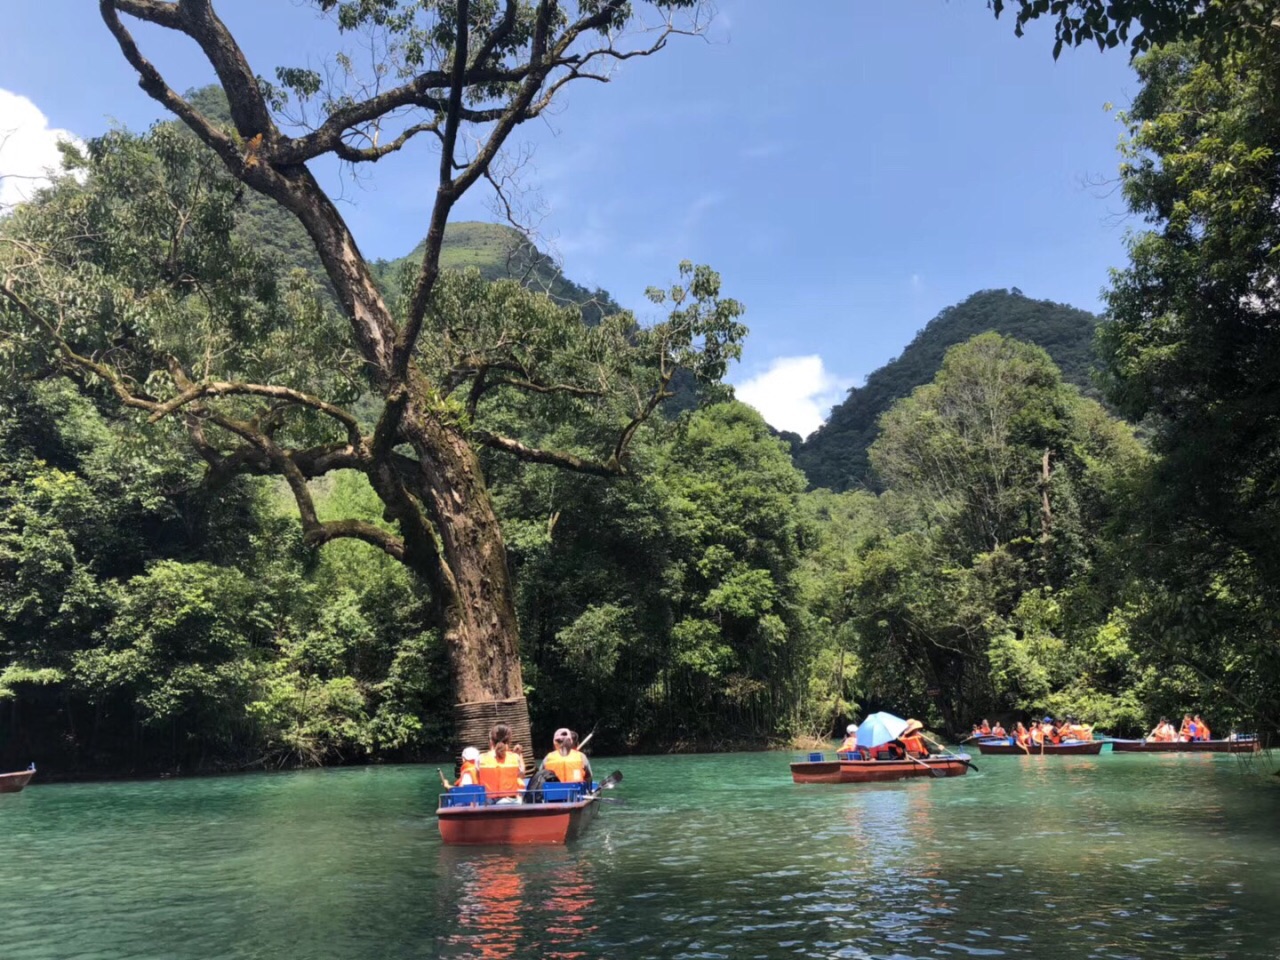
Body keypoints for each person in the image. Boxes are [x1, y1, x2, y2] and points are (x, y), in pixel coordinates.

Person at [476, 723, 525, 802]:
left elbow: (478, 778)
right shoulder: (515, 757)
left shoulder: (481, 758)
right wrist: (519, 754)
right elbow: (521, 774)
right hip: (510, 802)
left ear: (491, 740)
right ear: (509, 740)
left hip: (488, 803)